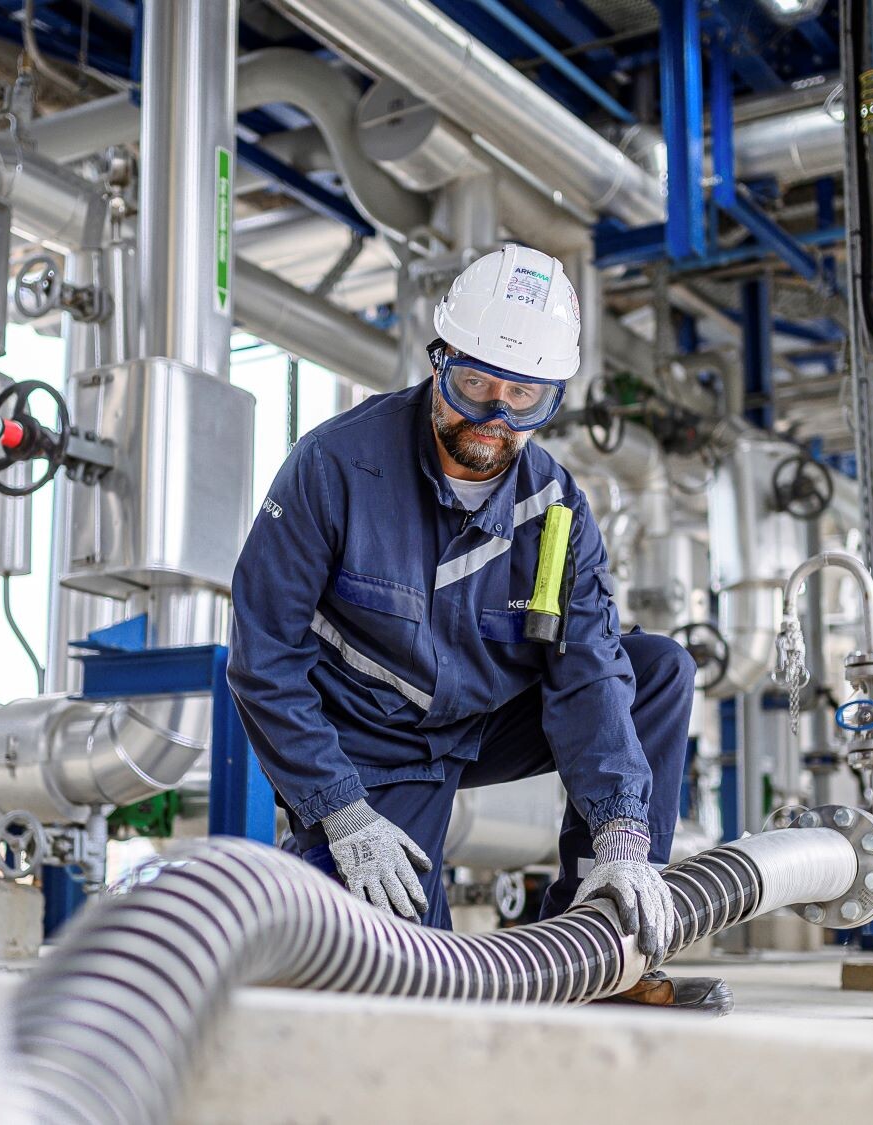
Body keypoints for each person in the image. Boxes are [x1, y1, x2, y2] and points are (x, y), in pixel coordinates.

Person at [228, 244, 728, 1011]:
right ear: (439, 360)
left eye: (522, 400)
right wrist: (340, 810)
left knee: (657, 669)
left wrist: (623, 833)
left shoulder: (557, 509)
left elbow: (588, 674)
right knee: (398, 977)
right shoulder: (335, 466)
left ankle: (599, 940)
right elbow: (263, 656)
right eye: (472, 384)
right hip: (376, 749)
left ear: (552, 398)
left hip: (484, 720)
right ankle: (347, 873)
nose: (492, 418)